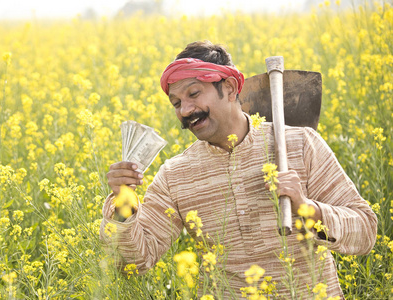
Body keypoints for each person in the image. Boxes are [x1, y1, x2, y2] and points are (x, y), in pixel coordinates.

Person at [100, 41, 377, 298]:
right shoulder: (176, 175)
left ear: (231, 87)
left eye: (194, 93)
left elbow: (365, 231)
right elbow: (135, 262)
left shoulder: (300, 144)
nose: (185, 110)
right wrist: (124, 205)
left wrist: (309, 209)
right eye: (176, 103)